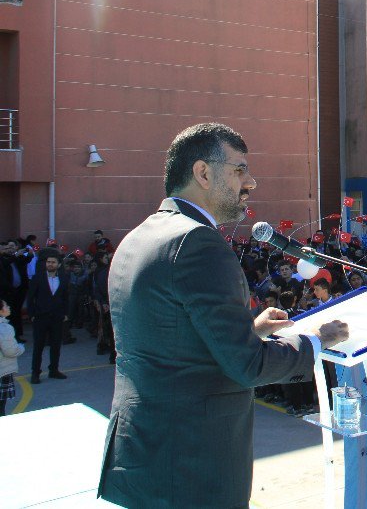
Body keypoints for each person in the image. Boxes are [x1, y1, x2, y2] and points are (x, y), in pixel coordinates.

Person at [98, 123, 349, 508]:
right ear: (202, 173)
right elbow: (247, 366)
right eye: (239, 170)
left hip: (144, 455)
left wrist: (250, 329)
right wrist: (317, 339)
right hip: (191, 465)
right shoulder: (197, 242)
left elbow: (174, 341)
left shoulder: (141, 235)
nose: (251, 182)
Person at [26, 253, 70, 384]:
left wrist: (65, 313)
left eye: (53, 262)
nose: (50, 264)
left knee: (56, 345)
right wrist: (32, 315)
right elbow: (30, 298)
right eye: (48, 262)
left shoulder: (63, 278)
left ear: (59, 265)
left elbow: (65, 297)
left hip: (57, 317)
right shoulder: (37, 278)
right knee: (38, 346)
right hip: (40, 317)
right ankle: (35, 373)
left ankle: (54, 370)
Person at [0, 298, 25, 416]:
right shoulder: (4, 328)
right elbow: (11, 351)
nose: (8, 307)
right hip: (2, 371)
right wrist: (21, 347)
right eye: (6, 305)